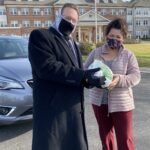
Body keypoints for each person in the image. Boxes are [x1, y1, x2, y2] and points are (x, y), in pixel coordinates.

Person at [28, 3, 106, 150]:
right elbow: (47, 68)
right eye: (67, 18)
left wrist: (90, 80)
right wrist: (84, 74)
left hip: (74, 114)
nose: (70, 23)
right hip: (53, 116)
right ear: (58, 16)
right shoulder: (41, 36)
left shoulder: (73, 44)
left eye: (74, 21)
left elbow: (75, 73)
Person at [84, 18, 141, 150]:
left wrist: (119, 80)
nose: (113, 39)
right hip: (99, 103)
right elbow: (85, 71)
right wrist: (91, 79)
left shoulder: (128, 55)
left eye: (118, 36)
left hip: (122, 104)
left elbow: (136, 76)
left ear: (123, 38)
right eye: (111, 35)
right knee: (106, 138)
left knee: (125, 139)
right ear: (106, 35)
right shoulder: (96, 52)